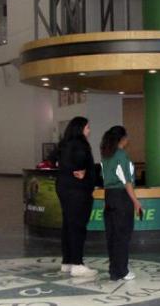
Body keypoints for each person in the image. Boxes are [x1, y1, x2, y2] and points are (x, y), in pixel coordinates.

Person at [56, 117, 97, 277]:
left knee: (68, 225)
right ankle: (77, 264)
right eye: (87, 127)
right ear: (80, 129)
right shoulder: (81, 145)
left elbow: (53, 160)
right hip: (78, 191)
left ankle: (67, 261)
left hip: (64, 188)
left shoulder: (64, 144)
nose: (89, 130)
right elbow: (81, 167)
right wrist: (86, 173)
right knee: (78, 226)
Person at [100, 126, 142, 281]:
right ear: (122, 139)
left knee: (112, 235)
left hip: (109, 196)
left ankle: (114, 270)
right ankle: (122, 270)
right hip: (122, 198)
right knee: (123, 235)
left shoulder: (106, 155)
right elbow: (127, 181)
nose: (128, 140)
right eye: (127, 137)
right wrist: (136, 201)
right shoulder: (121, 155)